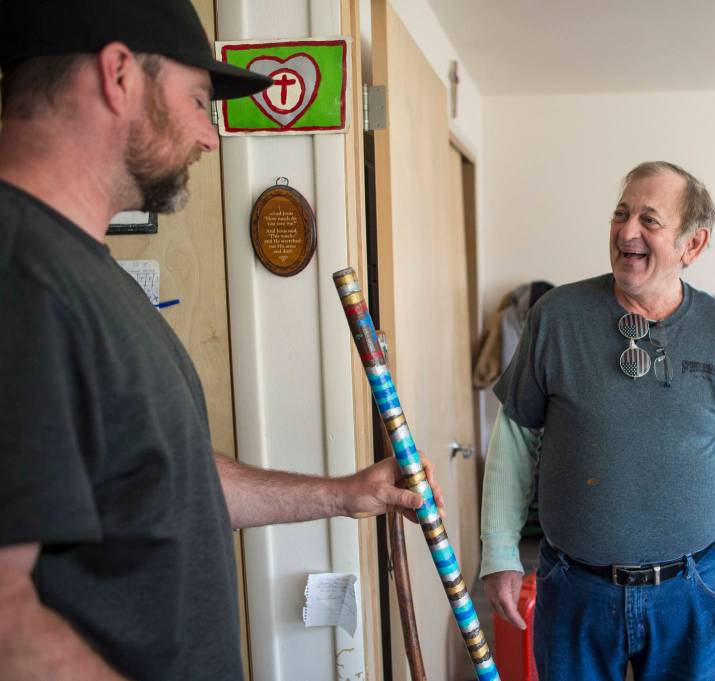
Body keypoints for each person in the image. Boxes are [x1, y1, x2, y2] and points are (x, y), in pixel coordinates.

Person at [0, 2, 442, 679]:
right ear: (119, 75)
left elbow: (168, 477)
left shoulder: (80, 271)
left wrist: (345, 493)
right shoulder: (20, 272)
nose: (210, 137)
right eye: (198, 101)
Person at [480, 161, 715, 680]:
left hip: (689, 590)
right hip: (573, 586)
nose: (627, 232)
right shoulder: (555, 317)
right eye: (621, 214)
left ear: (692, 244)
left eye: (650, 220)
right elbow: (514, 440)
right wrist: (500, 552)